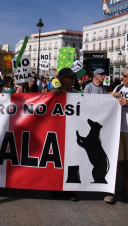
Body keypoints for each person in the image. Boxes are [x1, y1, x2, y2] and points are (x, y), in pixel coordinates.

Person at [104, 66, 128, 204]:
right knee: (116, 161)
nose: (122, 78)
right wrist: (111, 95)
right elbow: (107, 99)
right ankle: (111, 191)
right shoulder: (119, 88)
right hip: (117, 130)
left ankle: (125, 187)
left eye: (125, 76)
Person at [51, 67, 78, 201]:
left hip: (72, 133)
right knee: (56, 162)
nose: (74, 79)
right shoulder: (53, 95)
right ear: (62, 80)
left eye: (74, 77)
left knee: (72, 161)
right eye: (71, 77)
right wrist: (52, 96)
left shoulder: (78, 94)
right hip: (57, 134)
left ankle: (69, 190)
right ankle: (54, 188)